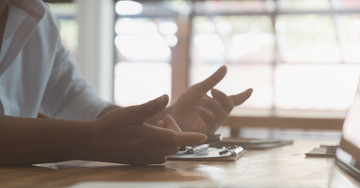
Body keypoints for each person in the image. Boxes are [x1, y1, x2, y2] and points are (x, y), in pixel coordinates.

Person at [0, 0, 252, 166]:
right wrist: (92, 141)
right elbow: (92, 129)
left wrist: (164, 120)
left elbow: (81, 104)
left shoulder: (42, 22)